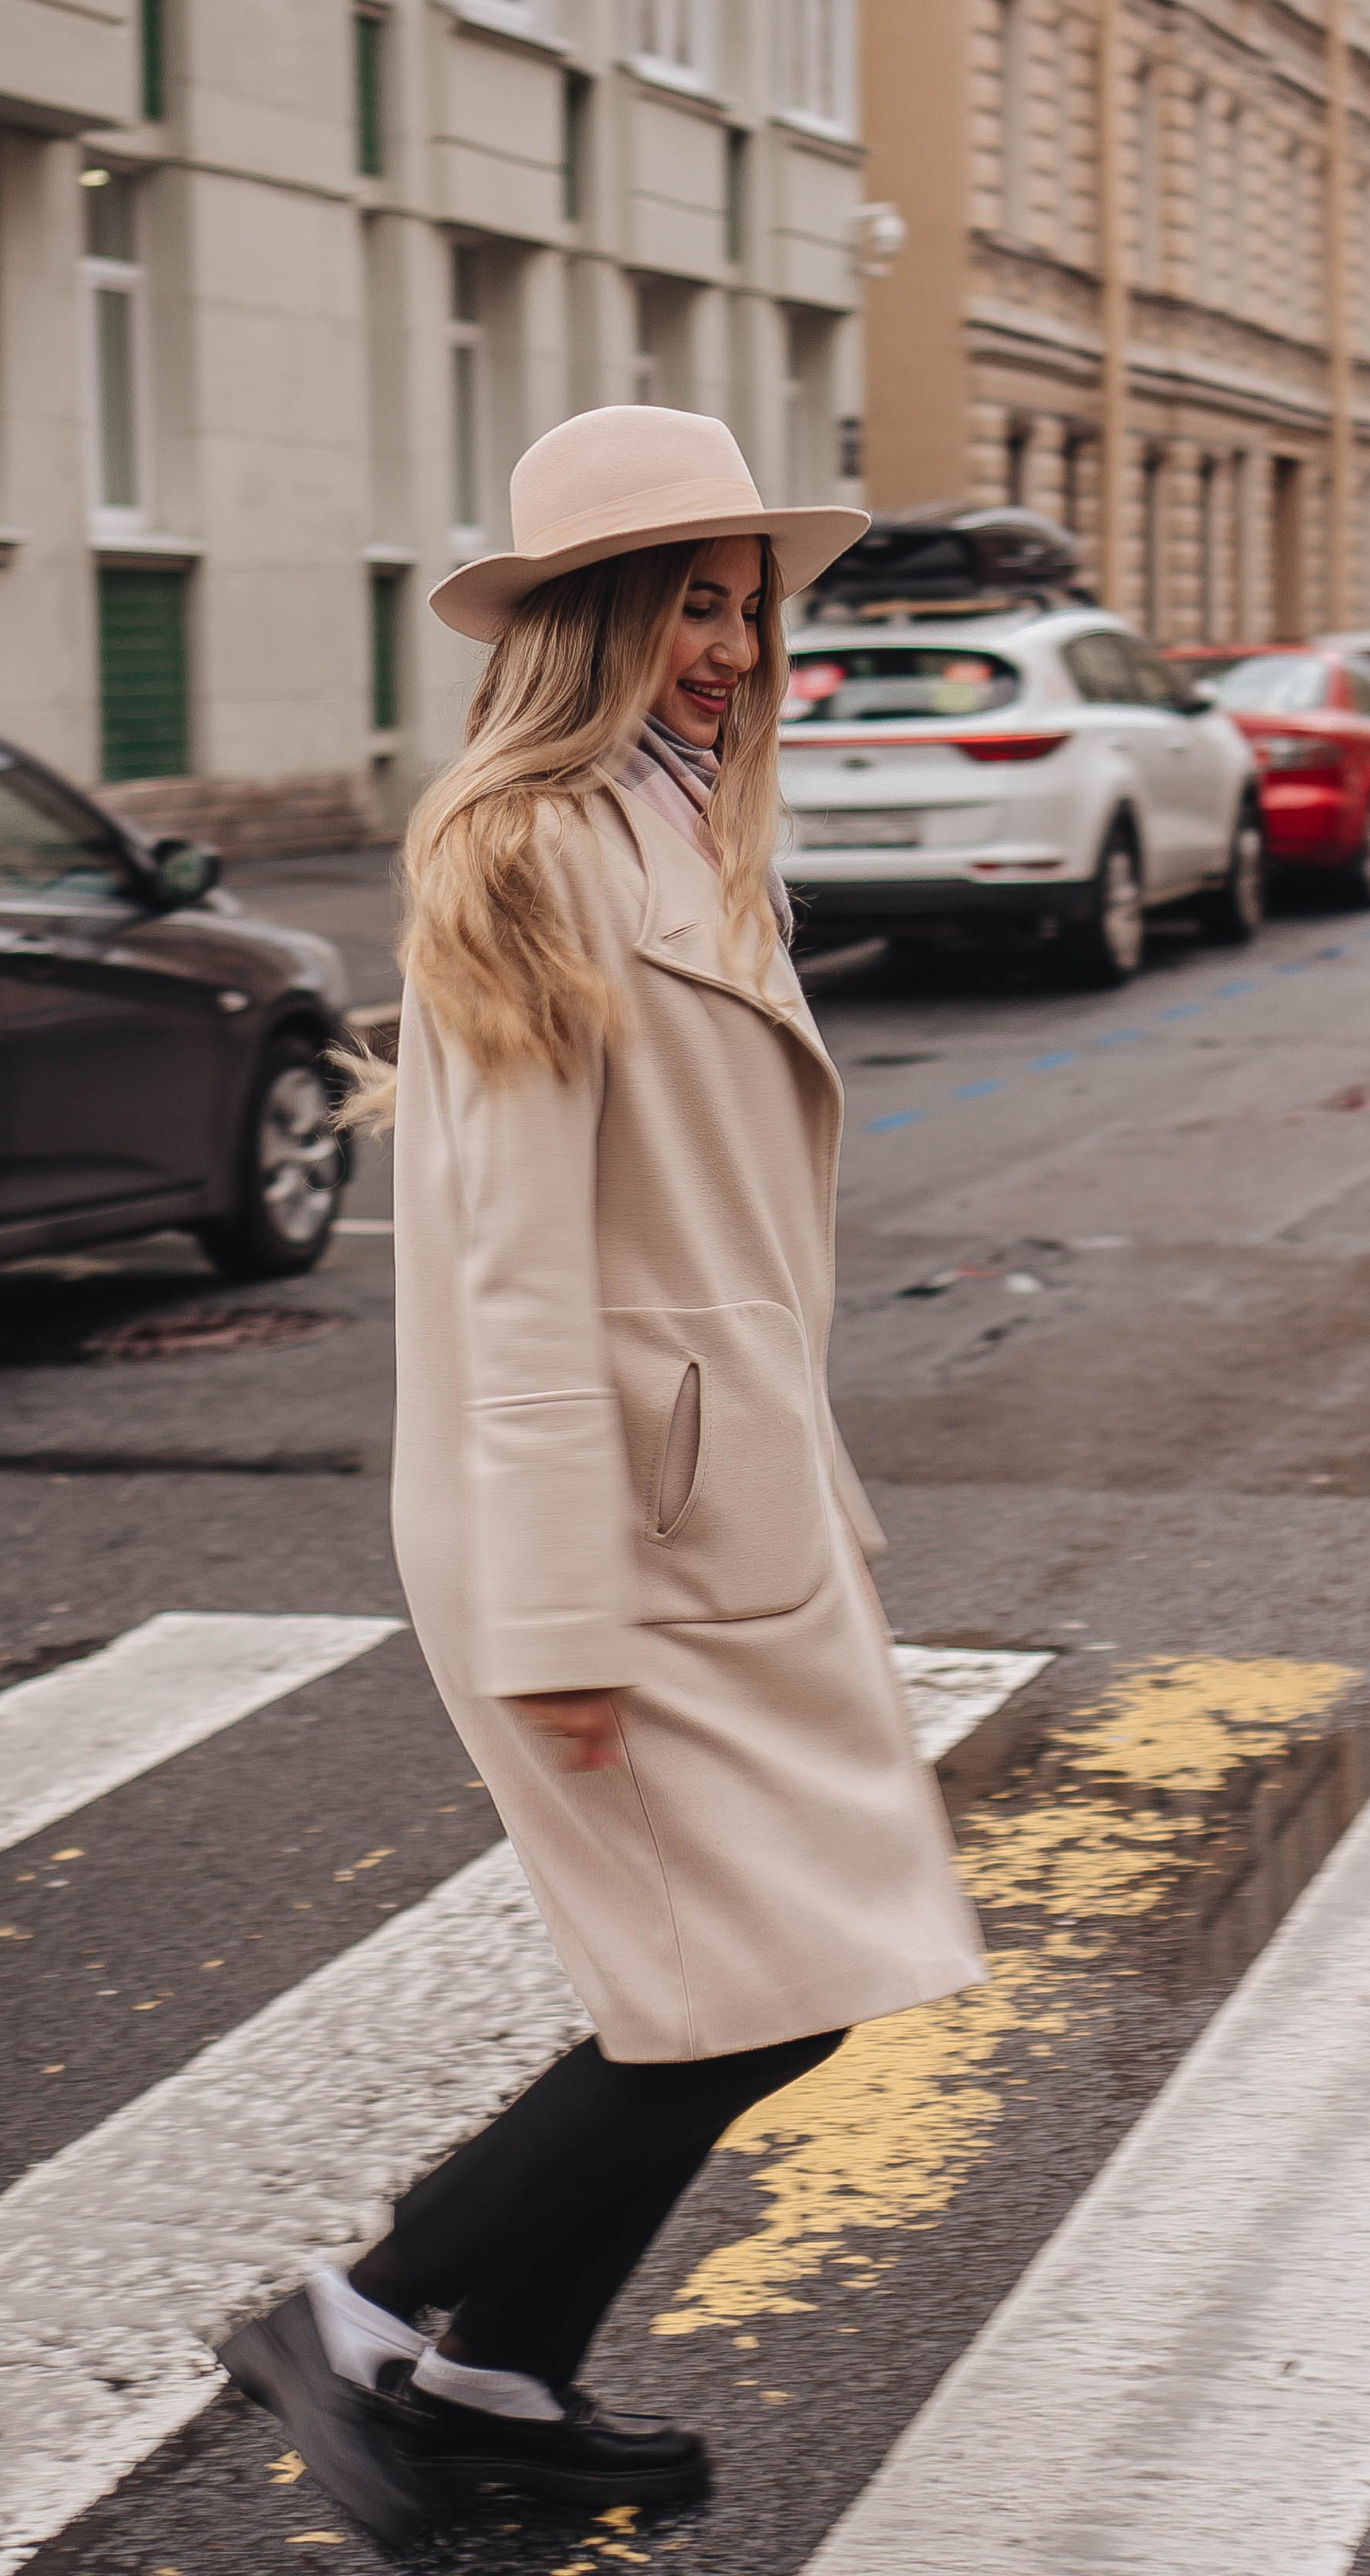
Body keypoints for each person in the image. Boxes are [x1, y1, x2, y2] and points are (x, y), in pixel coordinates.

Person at [219, 406, 987, 2549]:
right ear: (590, 620)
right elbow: (515, 1279)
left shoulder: (681, 829)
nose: (733, 649)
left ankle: (495, 2373)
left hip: (725, 1522)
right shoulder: (540, 847)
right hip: (617, 1545)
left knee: (769, 1987)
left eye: (749, 604)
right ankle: (362, 2324)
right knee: (744, 1991)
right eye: (690, 606)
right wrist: (560, 1620)